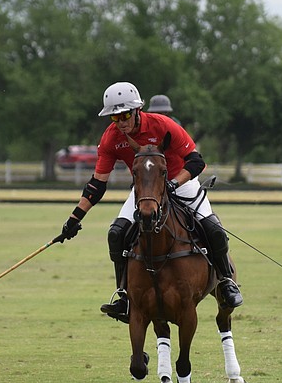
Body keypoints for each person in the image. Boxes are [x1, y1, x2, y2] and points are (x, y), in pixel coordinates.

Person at [58, 81, 242, 323]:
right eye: (115, 118)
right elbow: (97, 184)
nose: (121, 122)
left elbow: (196, 162)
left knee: (213, 229)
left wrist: (174, 184)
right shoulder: (111, 138)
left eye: (124, 115)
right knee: (116, 233)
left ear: (137, 110)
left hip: (181, 182)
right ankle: (123, 296)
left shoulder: (162, 125)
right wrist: (74, 218)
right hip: (145, 190)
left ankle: (227, 282)